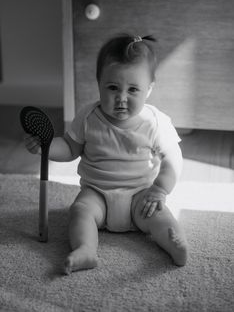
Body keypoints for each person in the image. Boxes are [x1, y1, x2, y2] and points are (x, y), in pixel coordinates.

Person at [25, 34, 188, 274]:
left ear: (149, 89)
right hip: (97, 193)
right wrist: (46, 146)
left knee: (159, 215)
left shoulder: (155, 122)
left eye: (133, 89)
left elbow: (173, 159)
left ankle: (175, 242)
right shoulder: (88, 117)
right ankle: (85, 249)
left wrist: (160, 189)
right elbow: (70, 148)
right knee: (80, 212)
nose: (122, 98)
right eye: (112, 87)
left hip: (140, 195)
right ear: (99, 83)